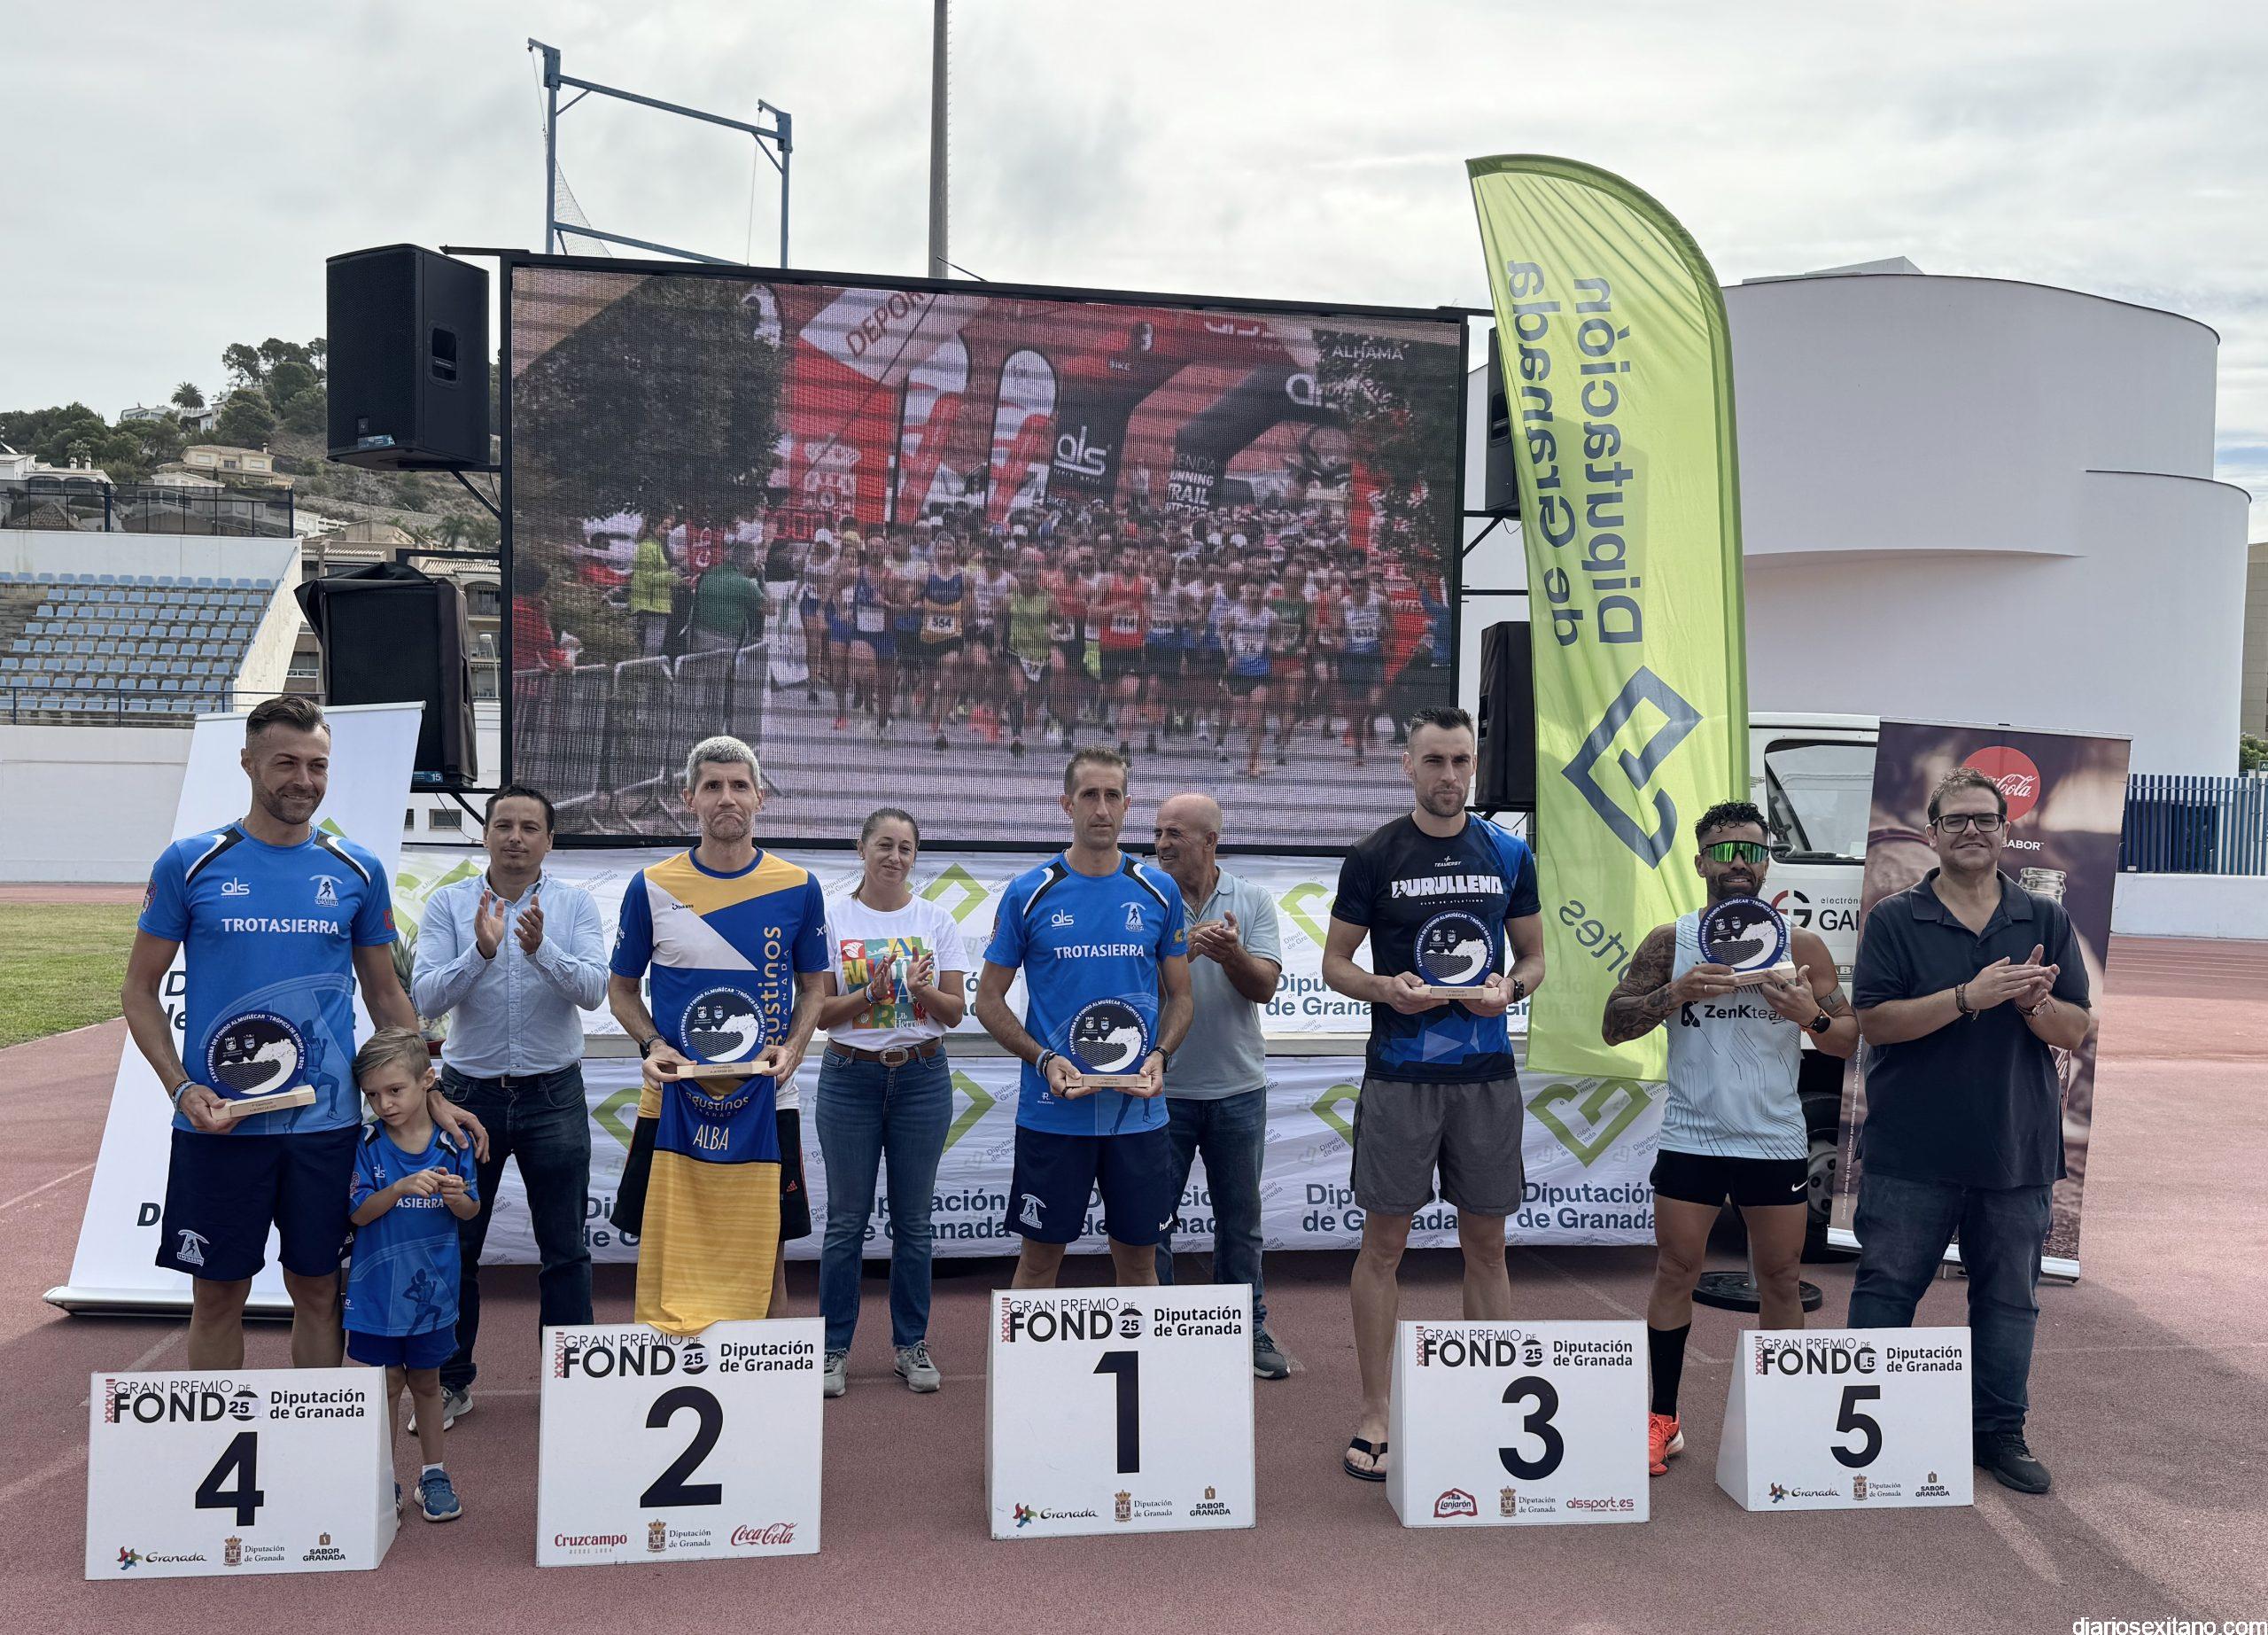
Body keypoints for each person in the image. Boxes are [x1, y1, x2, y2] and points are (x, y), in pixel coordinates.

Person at [121, 694, 484, 1370]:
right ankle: (218, 1428)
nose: (304, 780)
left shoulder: (356, 869)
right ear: (248, 762)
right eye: (285, 762)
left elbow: (385, 993)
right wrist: (179, 1088)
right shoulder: (190, 862)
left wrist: (431, 1094)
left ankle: (313, 1433)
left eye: (317, 765)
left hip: (324, 1128)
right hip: (220, 1126)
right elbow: (138, 990)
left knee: (319, 1292)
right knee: (217, 1296)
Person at [1847, 766, 2093, 1495]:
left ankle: (1999, 1433)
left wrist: (2033, 1006)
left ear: (2006, 831)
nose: (1972, 831)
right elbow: (1875, 1022)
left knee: (2010, 1300)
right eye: (1955, 820)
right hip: (1911, 1151)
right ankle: (1863, 1428)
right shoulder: (1894, 918)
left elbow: (2074, 1028)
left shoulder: (2044, 919)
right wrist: (1967, 995)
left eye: (1985, 818)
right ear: (1932, 834)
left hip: (2016, 1149)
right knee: (1887, 1290)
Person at [1598, 800, 1859, 1476]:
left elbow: (1848, 1036)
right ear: (1700, 861)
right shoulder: (1672, 940)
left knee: (1780, 1277)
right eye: (1723, 849)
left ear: (1767, 863)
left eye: (1751, 850)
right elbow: (1614, 1023)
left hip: (1773, 1137)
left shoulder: (1802, 946)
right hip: (1693, 1133)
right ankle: (1663, 1419)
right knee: (1675, 1270)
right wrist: (1676, 993)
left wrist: (1811, 1016)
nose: (1738, 862)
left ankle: (1782, 1420)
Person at [1323, 705, 1544, 1482]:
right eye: (1435, 760)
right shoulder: (1373, 854)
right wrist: (1387, 987)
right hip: (1400, 1076)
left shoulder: (1509, 852)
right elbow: (1335, 965)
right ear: (1407, 765)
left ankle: (1490, 1400)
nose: (1449, 775)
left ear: (1474, 764)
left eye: (1461, 760)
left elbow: (1535, 957)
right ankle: (1376, 1411)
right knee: (1384, 1247)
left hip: (1485, 1076)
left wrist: (1511, 988)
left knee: (1487, 1246)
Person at [609, 736, 829, 1333]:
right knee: (665, 1243)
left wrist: (794, 1048)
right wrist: (654, 1044)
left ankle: (764, 1380)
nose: (726, 797)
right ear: (689, 798)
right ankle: (675, 1370)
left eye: (738, 785)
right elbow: (621, 990)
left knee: (768, 1252)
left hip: (766, 1096)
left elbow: (815, 987)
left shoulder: (799, 886)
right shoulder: (650, 885)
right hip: (674, 1098)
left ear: (760, 797)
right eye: (712, 786)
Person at [410, 782, 606, 1429]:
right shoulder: (449, 903)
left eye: (529, 828)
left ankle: (571, 1386)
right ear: (485, 834)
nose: (515, 837)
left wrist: (541, 949)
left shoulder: (575, 904)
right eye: (504, 825)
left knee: (565, 1250)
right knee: (456, 1245)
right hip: (468, 1097)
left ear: (549, 840)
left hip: (554, 1094)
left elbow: (594, 991)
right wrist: (482, 951)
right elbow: (425, 997)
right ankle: (450, 1383)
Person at [975, 747, 1193, 1289]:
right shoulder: (1029, 892)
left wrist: (1161, 1055)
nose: (1101, 808)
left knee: (1139, 1264)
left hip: (1137, 1116)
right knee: (1039, 1263)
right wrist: (1043, 1059)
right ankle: (1024, 1356)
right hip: (1054, 1115)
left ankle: (1142, 1352)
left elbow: (1182, 997)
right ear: (1066, 804)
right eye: (1089, 795)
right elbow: (988, 1001)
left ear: (1127, 804)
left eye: (1112, 795)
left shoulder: (1158, 890)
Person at [813, 807, 968, 1398]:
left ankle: (910, 1344)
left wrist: (919, 988)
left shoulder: (936, 919)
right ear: (861, 848)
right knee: (845, 1223)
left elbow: (954, 1012)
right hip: (849, 1077)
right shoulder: (832, 919)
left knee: (914, 1223)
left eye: (905, 847)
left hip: (922, 1078)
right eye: (884, 844)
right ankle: (833, 1349)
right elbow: (821, 1014)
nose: (894, 857)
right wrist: (871, 994)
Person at [1150, 791, 1293, 1379]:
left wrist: (1232, 954)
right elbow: (1132, 982)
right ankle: (1154, 1331)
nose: (1161, 844)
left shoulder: (1252, 899)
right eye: (1159, 832)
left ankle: (1246, 1328)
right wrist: (1183, 950)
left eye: (1174, 834)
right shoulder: (1146, 896)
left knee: (1240, 1222)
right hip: (1161, 1088)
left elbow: (1265, 987)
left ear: (1210, 842)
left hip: (1237, 1088)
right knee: (1152, 1222)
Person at [344, 1028, 480, 1523]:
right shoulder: (367, 1143)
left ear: (427, 1080)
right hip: (377, 1294)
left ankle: (434, 1475)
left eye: (395, 1090)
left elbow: (470, 1210)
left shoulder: (454, 1143)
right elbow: (358, 1213)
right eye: (372, 1095)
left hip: (433, 1295)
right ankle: (384, 1477)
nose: (384, 1104)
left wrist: (458, 1197)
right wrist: (400, 1188)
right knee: (386, 1384)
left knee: (427, 1381)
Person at [686, 541, 766, 655]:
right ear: (751, 564)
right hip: (725, 645)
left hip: (697, 639)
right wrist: (762, 578)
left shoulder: (708, 574)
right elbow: (770, 610)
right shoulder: (745, 584)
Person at [629, 515, 680, 657]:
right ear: (653, 527)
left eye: (669, 529)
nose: (668, 532)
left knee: (653, 653)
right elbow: (648, 577)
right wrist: (671, 575)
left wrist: (679, 579)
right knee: (649, 654)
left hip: (657, 606)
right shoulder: (647, 546)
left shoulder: (657, 545)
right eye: (664, 528)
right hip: (650, 607)